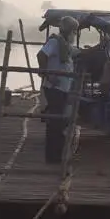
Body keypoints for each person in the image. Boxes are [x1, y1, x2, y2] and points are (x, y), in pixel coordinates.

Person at [37, 16, 78, 164]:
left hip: (62, 88)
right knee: (55, 122)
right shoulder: (55, 42)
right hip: (54, 88)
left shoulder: (65, 45)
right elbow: (41, 55)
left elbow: (75, 53)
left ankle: (57, 154)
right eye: (74, 31)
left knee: (59, 122)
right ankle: (52, 157)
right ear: (69, 31)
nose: (75, 34)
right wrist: (47, 74)